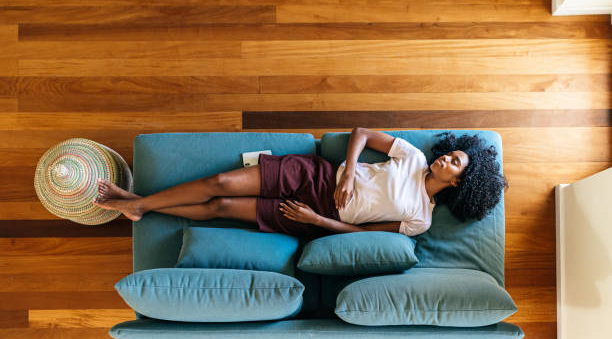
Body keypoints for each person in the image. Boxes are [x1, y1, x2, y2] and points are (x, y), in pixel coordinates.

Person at [92, 127, 508, 239]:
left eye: (455, 163)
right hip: (317, 175)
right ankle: (140, 204)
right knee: (220, 181)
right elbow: (361, 132)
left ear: (458, 184)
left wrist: (317, 220)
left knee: (221, 208)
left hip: (316, 215)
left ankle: (138, 205)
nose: (446, 158)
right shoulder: (413, 156)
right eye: (451, 153)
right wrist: (348, 169)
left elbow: (361, 234)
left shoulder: (421, 220)